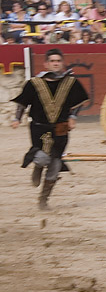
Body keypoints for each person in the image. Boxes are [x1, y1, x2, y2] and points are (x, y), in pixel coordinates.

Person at [11, 48, 89, 209]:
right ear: (46, 64)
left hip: (61, 128)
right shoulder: (34, 83)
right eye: (52, 61)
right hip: (39, 128)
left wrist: (73, 117)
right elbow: (22, 103)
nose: (55, 63)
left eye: (58, 61)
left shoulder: (71, 82)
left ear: (62, 63)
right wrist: (16, 119)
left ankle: (43, 199)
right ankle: (38, 166)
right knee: (42, 158)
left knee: (55, 163)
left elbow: (77, 103)